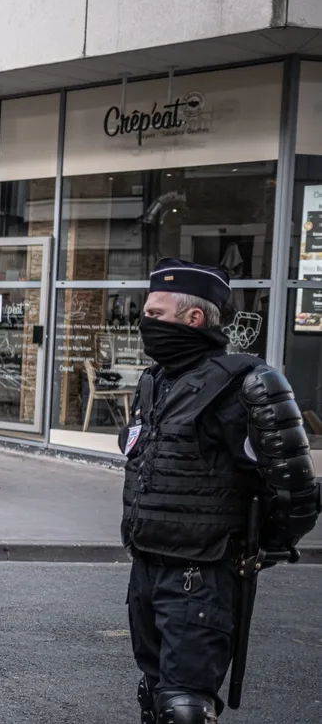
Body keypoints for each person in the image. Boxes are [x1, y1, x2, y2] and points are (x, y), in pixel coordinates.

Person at [121, 258, 321, 723]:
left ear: (194, 318)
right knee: (154, 692)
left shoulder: (248, 384)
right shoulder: (155, 382)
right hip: (146, 566)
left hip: (202, 572)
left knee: (185, 705)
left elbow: (297, 490)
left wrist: (259, 547)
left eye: (155, 314)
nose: (145, 323)